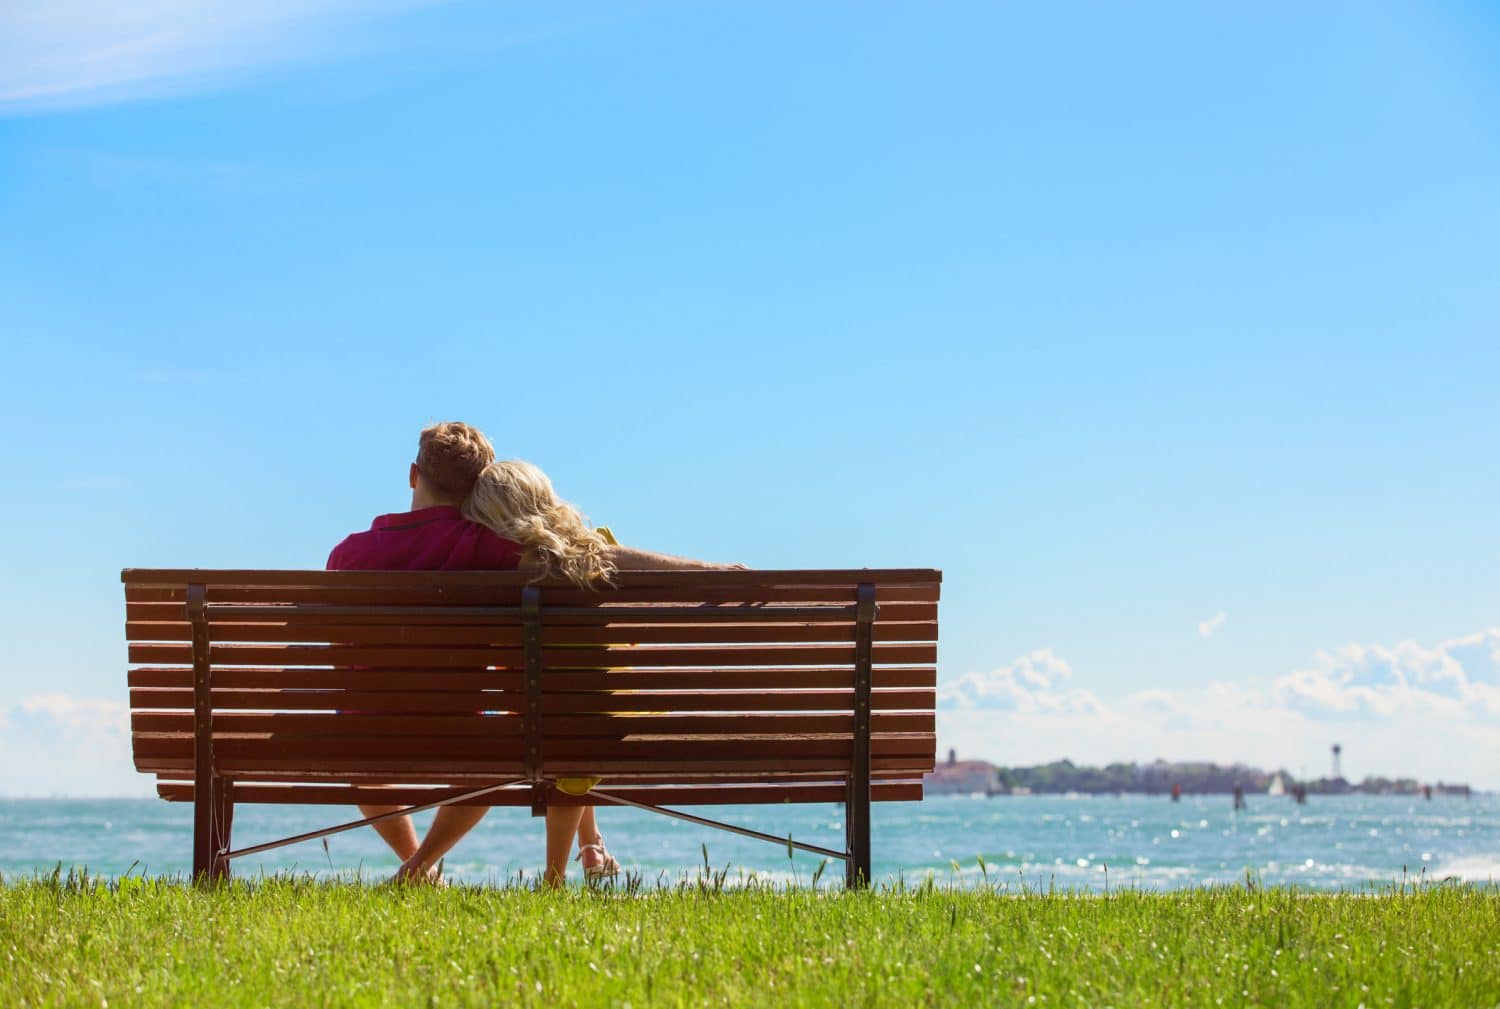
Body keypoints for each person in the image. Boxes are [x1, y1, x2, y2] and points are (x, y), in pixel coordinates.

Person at [328, 422, 731, 885]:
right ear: (476, 486)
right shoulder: (482, 547)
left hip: (361, 736)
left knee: (365, 757)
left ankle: (420, 865)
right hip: (462, 735)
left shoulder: (349, 554)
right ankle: (420, 867)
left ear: (413, 475)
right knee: (493, 763)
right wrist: (704, 570)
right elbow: (588, 557)